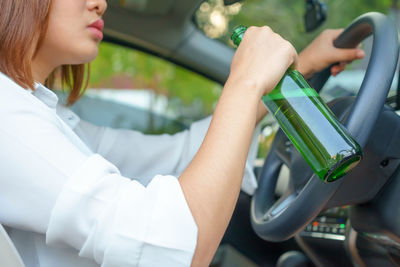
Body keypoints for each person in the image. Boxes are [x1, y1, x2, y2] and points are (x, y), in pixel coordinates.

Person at [0, 0, 364, 266]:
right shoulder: (7, 115)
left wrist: (295, 65)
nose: (100, 3)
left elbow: (180, 154)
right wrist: (247, 80)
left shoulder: (48, 117)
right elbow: (170, 246)